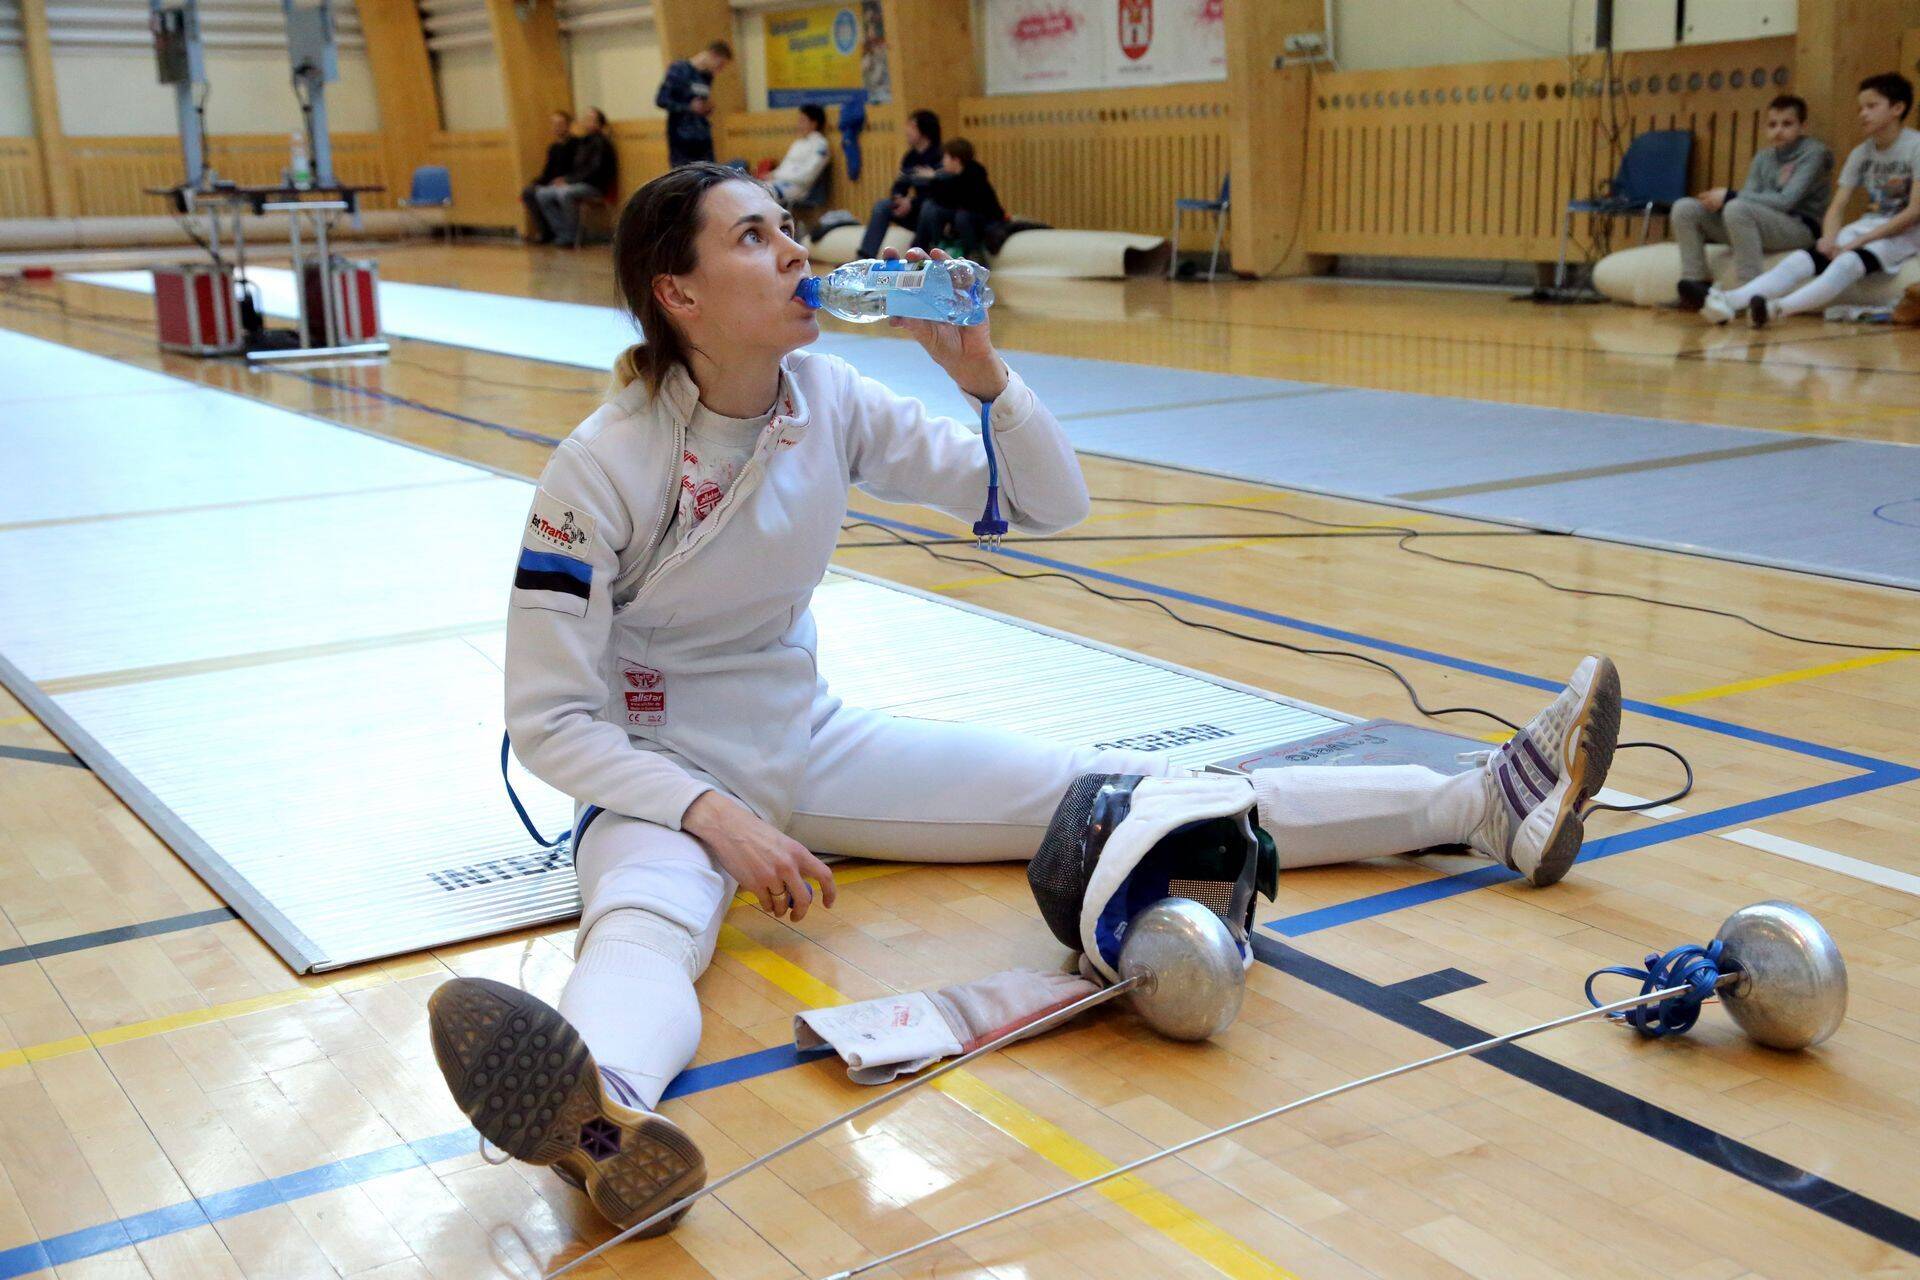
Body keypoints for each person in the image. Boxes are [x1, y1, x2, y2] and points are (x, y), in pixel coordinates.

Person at [425, 161, 1621, 1236]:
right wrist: (710, 814)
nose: (795, 249)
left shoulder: (830, 398)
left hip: (811, 742)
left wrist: (981, 369)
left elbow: (1050, 503)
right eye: (752, 237)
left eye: (788, 226)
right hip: (662, 776)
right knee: (647, 926)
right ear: (677, 295)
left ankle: (1477, 801)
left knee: (1121, 798)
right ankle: (604, 1120)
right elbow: (550, 719)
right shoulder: (601, 462)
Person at [1704, 73, 1920, 326]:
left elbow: (1914, 211)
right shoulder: (1861, 153)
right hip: (1870, 223)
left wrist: (1860, 241)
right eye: (1861, 107)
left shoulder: (1915, 146)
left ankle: (1777, 309)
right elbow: (1837, 205)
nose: (1863, 114)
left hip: (1907, 230)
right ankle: (1729, 300)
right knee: (1802, 258)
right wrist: (1829, 238)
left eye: (1872, 106)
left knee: (1848, 261)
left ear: (1897, 108)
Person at [1669, 95, 1832, 308]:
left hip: (1799, 227)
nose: (1778, 131)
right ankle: (1695, 285)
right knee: (1684, 208)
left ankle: (1749, 290)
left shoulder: (1814, 153)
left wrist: (1728, 196)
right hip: (1761, 223)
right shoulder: (1763, 157)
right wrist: (1721, 202)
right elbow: (1749, 199)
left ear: (1803, 127)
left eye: (1787, 124)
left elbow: (1786, 201)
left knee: (1736, 207)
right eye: (1772, 124)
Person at [856, 107, 943, 258]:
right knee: (882, 206)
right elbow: (899, 186)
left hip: (933, 214)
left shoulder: (941, 156)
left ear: (924, 130)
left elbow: (942, 194)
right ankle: (864, 257)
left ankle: (921, 253)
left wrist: (912, 202)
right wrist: (899, 199)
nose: (906, 131)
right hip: (913, 211)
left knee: (928, 207)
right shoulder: (910, 157)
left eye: (912, 126)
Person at [532, 108, 617, 248]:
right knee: (542, 193)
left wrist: (569, 181)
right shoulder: (583, 142)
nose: (586, 122)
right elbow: (575, 168)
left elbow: (594, 171)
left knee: (564, 193)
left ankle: (571, 235)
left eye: (591, 119)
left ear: (599, 124)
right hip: (578, 182)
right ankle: (562, 232)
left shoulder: (602, 143)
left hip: (594, 185)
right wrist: (565, 179)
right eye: (586, 119)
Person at [914, 136, 1006, 260]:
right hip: (961, 214)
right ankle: (929, 248)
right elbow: (941, 200)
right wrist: (935, 179)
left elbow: (968, 203)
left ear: (956, 160)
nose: (943, 162)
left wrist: (936, 179)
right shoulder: (950, 176)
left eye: (945, 158)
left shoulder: (975, 174)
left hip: (984, 218)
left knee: (962, 217)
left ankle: (974, 255)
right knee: (929, 207)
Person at [656, 41, 732, 168]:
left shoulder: (707, 77)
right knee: (684, 181)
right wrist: (688, 107)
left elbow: (700, 104)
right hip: (682, 138)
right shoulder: (679, 70)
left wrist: (707, 108)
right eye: (720, 65)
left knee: (709, 177)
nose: (719, 70)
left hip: (702, 137)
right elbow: (661, 100)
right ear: (712, 55)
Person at [521, 110, 579, 245]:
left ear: (568, 125)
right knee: (529, 192)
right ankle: (546, 231)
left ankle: (566, 234)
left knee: (548, 194)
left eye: (560, 124)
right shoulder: (553, 147)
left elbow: (578, 168)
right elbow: (548, 172)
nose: (557, 127)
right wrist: (538, 182)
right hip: (553, 182)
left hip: (568, 181)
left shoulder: (577, 144)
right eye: (554, 124)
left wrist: (566, 179)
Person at [766, 104, 831, 205]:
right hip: (779, 182)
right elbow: (785, 167)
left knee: (764, 194)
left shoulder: (820, 145)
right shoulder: (798, 143)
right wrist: (772, 174)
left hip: (797, 187)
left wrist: (778, 175)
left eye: (802, 121)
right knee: (752, 191)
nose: (799, 124)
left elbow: (807, 176)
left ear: (814, 124)